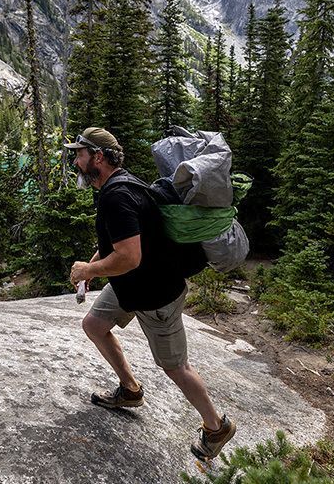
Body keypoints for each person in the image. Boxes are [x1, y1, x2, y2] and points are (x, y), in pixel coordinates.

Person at [66, 127, 236, 461]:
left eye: (79, 153)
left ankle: (217, 427)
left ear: (97, 157)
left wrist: (88, 271)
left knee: (176, 367)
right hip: (133, 284)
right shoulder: (122, 184)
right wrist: (94, 262)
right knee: (94, 325)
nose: (75, 160)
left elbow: (130, 256)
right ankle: (130, 390)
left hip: (157, 295)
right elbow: (126, 242)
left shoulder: (116, 196)